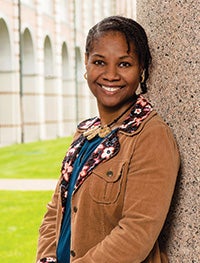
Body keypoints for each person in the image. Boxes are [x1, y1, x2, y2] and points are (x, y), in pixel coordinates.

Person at [36, 16, 180, 263]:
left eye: (124, 64)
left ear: (142, 68)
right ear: (87, 64)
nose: (110, 75)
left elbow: (136, 233)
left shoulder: (150, 135)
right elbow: (55, 211)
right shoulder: (85, 133)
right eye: (100, 62)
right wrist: (46, 258)